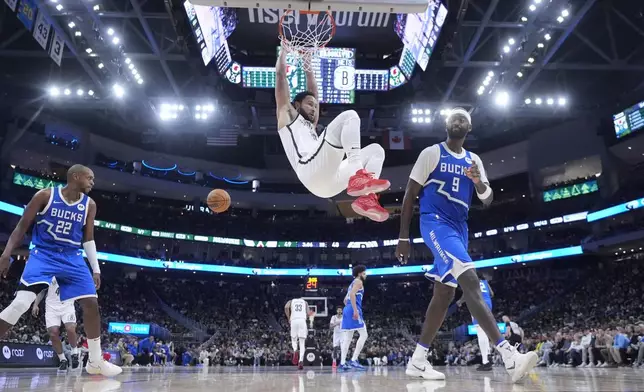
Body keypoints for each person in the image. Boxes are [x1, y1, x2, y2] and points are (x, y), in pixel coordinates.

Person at [395, 109, 538, 383]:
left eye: (463, 119)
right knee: (470, 280)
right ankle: (509, 357)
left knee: (444, 295)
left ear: (469, 128)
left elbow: (486, 198)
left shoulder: (474, 160)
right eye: (454, 118)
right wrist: (404, 237)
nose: (458, 121)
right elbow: (410, 194)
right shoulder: (431, 153)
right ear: (447, 125)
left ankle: (417, 360)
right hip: (435, 223)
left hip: (460, 229)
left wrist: (478, 181)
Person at [0, 164, 121, 376]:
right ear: (76, 176)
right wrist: (6, 253)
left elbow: (88, 238)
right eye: (89, 177)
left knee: (91, 303)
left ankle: (95, 361)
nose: (93, 182)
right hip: (43, 254)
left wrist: (96, 268)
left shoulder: (89, 205)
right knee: (20, 303)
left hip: (72, 257)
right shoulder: (44, 195)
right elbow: (21, 226)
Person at [275, 47, 390, 221]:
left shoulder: (311, 126)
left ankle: (367, 199)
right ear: (297, 105)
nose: (314, 108)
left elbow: (313, 88)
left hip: (328, 183)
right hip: (308, 169)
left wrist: (307, 60)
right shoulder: (287, 115)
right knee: (349, 116)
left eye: (315, 105)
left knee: (376, 150)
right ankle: (359, 175)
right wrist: (283, 51)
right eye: (309, 104)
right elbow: (280, 77)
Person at [31, 277, 80, 371]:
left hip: (67, 304)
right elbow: (41, 291)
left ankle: (74, 352)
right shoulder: (49, 273)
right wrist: (35, 304)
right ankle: (62, 359)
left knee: (70, 328)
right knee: (53, 333)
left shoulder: (70, 271)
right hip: (51, 307)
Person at [456, 273, 494, 371]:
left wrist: (459, 302)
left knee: (481, 333)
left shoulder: (470, 280)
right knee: (486, 332)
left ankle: (485, 362)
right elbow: (492, 294)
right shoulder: (485, 282)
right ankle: (488, 355)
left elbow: (466, 294)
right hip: (488, 304)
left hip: (477, 305)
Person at [339, 265, 368, 372]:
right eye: (364, 273)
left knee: (348, 338)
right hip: (353, 309)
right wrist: (355, 310)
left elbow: (344, 300)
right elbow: (351, 294)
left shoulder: (352, 283)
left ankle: (342, 363)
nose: (366, 275)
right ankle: (354, 359)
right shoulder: (359, 282)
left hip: (347, 309)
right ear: (360, 273)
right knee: (364, 334)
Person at [284, 296, 310, 370]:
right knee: (302, 343)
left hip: (294, 320)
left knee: (294, 339)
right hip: (302, 320)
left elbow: (286, 307)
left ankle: (295, 350)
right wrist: (305, 316)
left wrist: (289, 318)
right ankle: (301, 361)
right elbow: (308, 313)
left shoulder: (291, 301)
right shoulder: (305, 302)